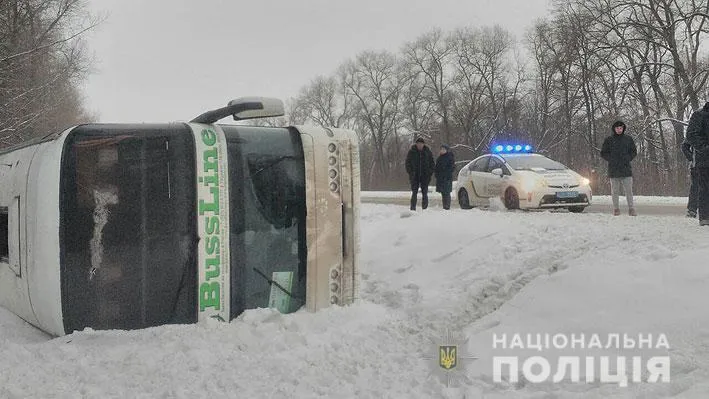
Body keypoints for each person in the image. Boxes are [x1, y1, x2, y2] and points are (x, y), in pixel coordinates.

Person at [600, 120, 638, 216]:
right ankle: (616, 209)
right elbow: (603, 153)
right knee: (615, 191)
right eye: (617, 128)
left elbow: (634, 151)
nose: (619, 130)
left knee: (629, 191)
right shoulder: (609, 140)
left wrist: (628, 158)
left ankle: (631, 209)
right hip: (614, 169)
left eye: (621, 128)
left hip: (626, 169)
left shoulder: (628, 139)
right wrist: (611, 159)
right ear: (614, 129)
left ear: (623, 128)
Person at [684, 102, 709, 226]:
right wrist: (705, 148)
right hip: (703, 161)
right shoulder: (699, 115)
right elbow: (690, 137)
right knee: (702, 188)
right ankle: (702, 216)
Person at [405, 137, 435, 211]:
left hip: (425, 176)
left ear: (423, 144)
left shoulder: (428, 152)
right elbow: (407, 163)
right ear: (416, 144)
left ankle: (424, 209)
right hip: (414, 176)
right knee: (414, 193)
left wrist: (429, 172)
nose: (420, 145)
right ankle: (412, 209)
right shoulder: (412, 152)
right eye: (418, 144)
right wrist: (411, 172)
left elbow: (432, 163)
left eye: (421, 144)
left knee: (424, 193)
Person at [681, 139, 699, 218]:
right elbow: (684, 146)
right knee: (696, 187)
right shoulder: (696, 130)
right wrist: (692, 158)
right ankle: (692, 209)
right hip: (697, 165)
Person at [435, 144, 455, 210]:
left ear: (446, 150)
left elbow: (452, 167)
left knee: (447, 193)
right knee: (443, 193)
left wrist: (446, 173)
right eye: (441, 149)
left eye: (444, 149)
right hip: (440, 179)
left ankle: (447, 206)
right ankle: (444, 206)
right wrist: (436, 174)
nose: (442, 151)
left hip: (447, 178)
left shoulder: (450, 157)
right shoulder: (439, 158)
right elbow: (436, 168)